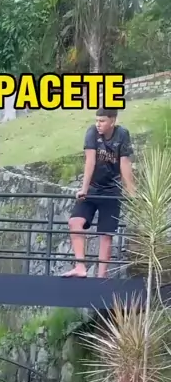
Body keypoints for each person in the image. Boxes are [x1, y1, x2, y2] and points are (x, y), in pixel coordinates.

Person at [65, 107, 135, 279]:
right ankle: (80, 266)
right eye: (97, 120)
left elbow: (124, 163)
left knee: (106, 234)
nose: (98, 124)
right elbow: (90, 161)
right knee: (75, 222)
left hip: (111, 190)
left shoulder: (122, 134)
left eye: (102, 121)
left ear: (113, 121)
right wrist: (84, 189)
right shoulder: (92, 132)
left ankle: (101, 276)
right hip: (92, 188)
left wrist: (131, 191)